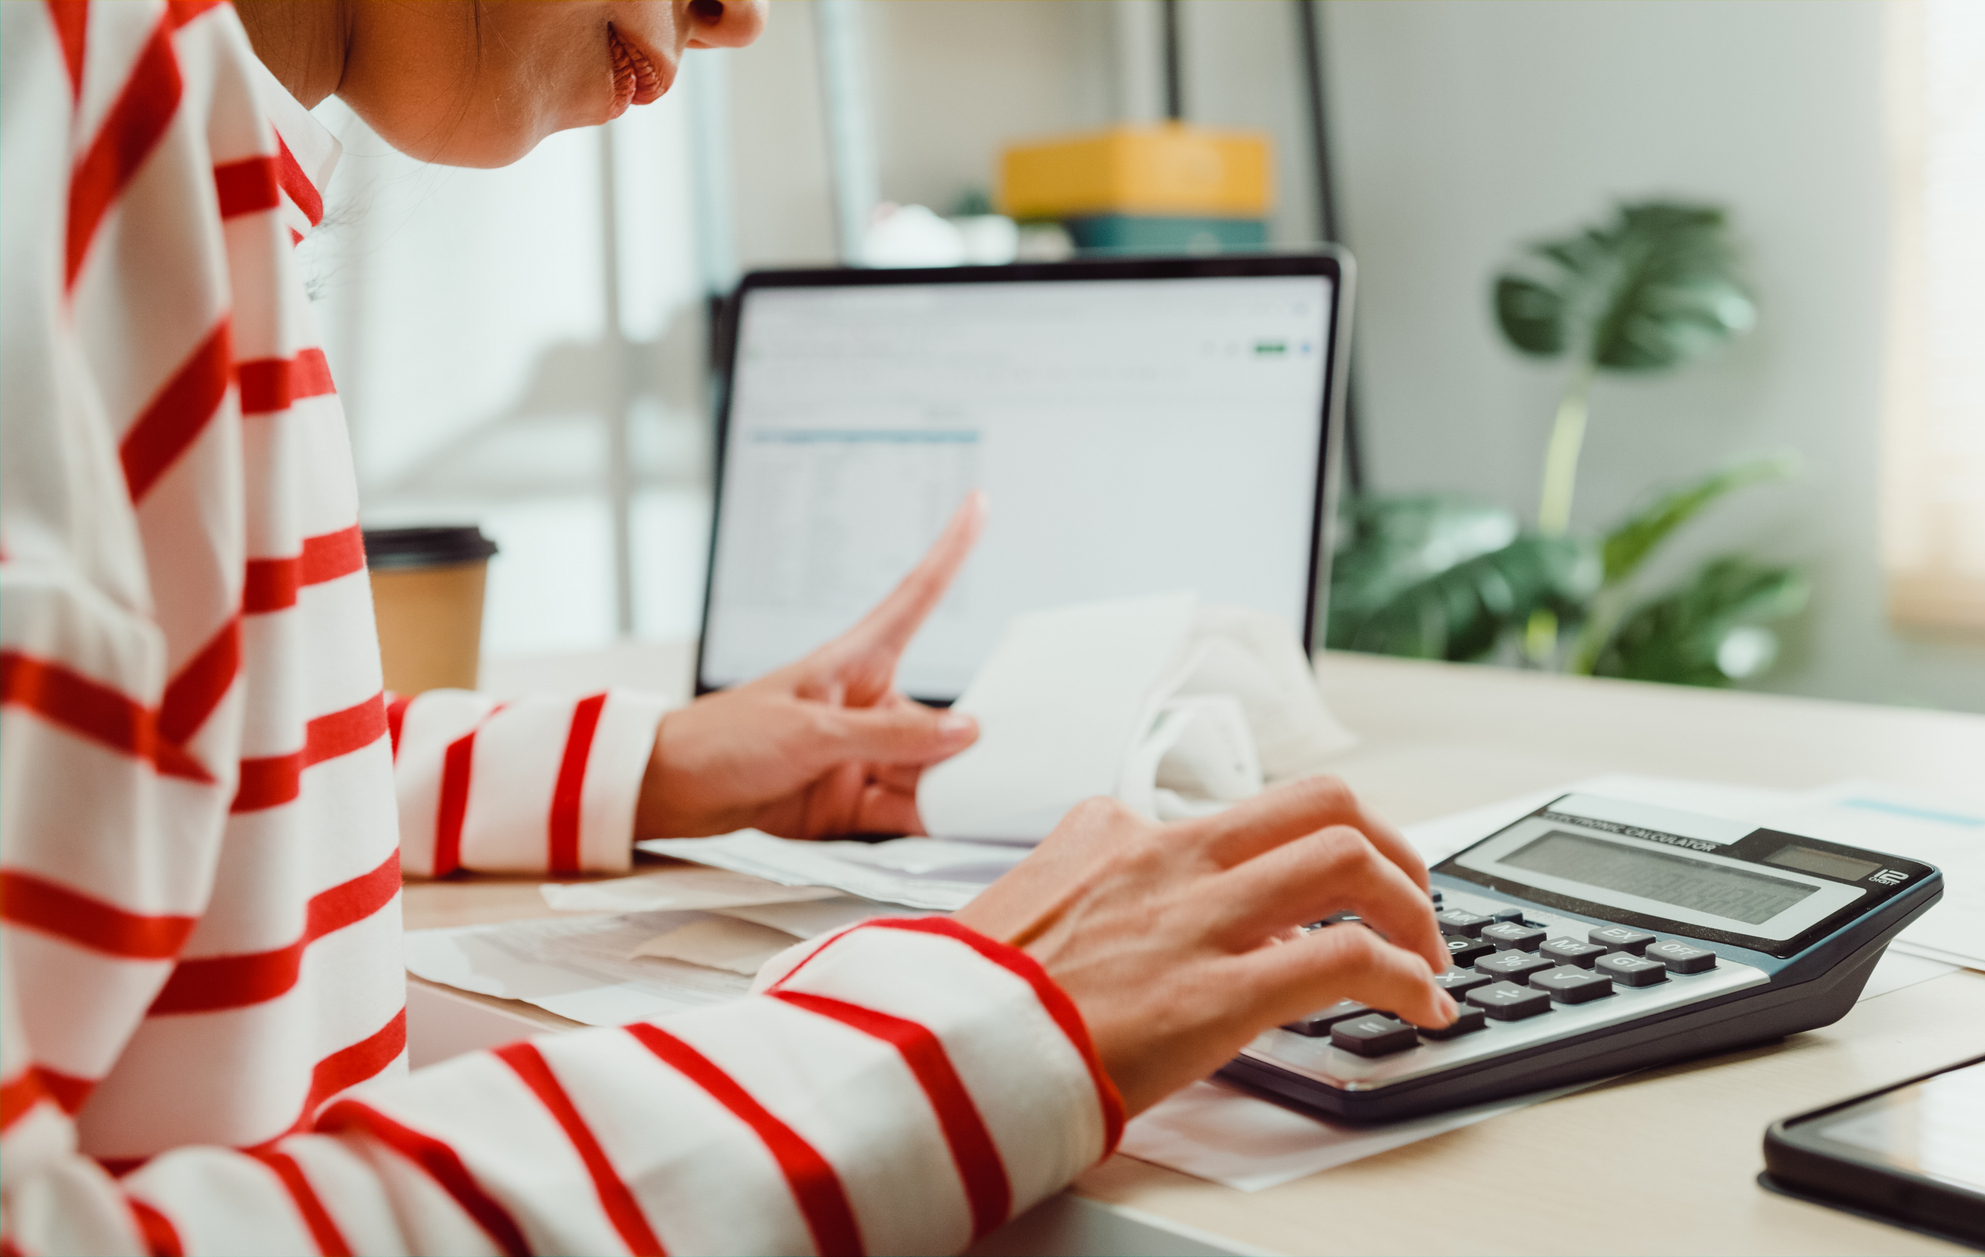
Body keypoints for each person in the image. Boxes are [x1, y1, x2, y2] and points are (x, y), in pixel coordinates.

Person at [0, 2, 1456, 1253]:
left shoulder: (165, 125)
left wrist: (652, 764)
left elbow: (161, 763)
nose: (744, 15)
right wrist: (940, 1045)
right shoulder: (62, 120)